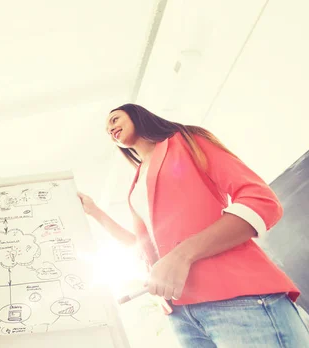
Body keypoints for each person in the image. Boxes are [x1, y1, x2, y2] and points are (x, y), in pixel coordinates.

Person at [78, 104, 309, 347]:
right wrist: (95, 212)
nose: (111, 128)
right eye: (107, 129)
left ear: (137, 114)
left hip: (236, 295)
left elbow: (261, 202)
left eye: (115, 119)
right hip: (182, 316)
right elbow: (142, 248)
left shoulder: (187, 141)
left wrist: (182, 254)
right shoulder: (135, 185)